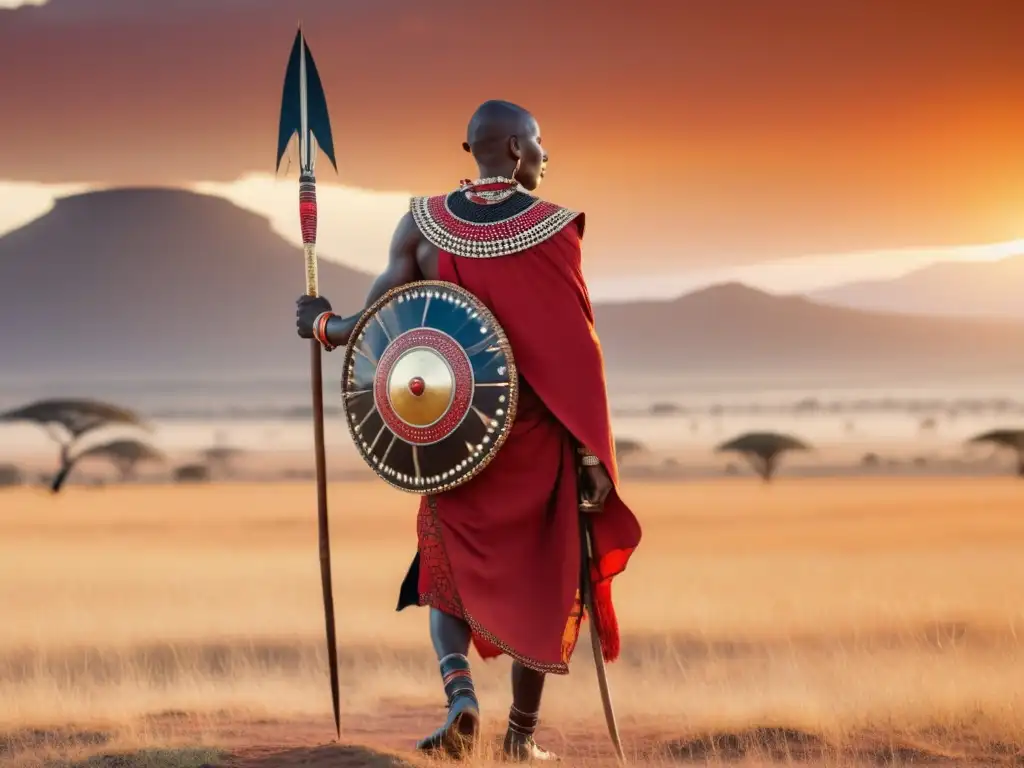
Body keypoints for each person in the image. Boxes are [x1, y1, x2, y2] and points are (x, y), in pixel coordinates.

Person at [295, 100, 642, 762]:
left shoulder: (421, 225)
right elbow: (577, 352)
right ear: (514, 150)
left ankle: (460, 699)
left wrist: (321, 324)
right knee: (546, 584)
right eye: (539, 143)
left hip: (458, 440)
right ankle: (519, 737)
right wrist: (594, 458)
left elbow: (376, 318)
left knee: (444, 570)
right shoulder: (553, 228)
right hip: (539, 443)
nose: (546, 155)